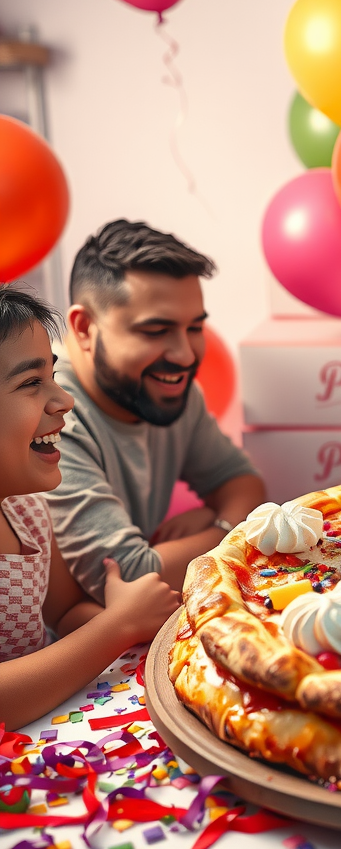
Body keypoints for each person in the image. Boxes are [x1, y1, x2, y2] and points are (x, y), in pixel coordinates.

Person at [44, 220, 266, 603]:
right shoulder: (49, 417)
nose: (184, 355)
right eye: (155, 331)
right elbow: (130, 580)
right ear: (83, 328)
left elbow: (244, 483)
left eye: (194, 327)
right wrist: (231, 529)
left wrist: (221, 523)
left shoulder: (170, 390)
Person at [0, 286, 180, 730]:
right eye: (30, 383)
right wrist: (117, 626)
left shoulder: (26, 511)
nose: (64, 401)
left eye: (53, 377)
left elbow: (62, 613)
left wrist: (130, 623)